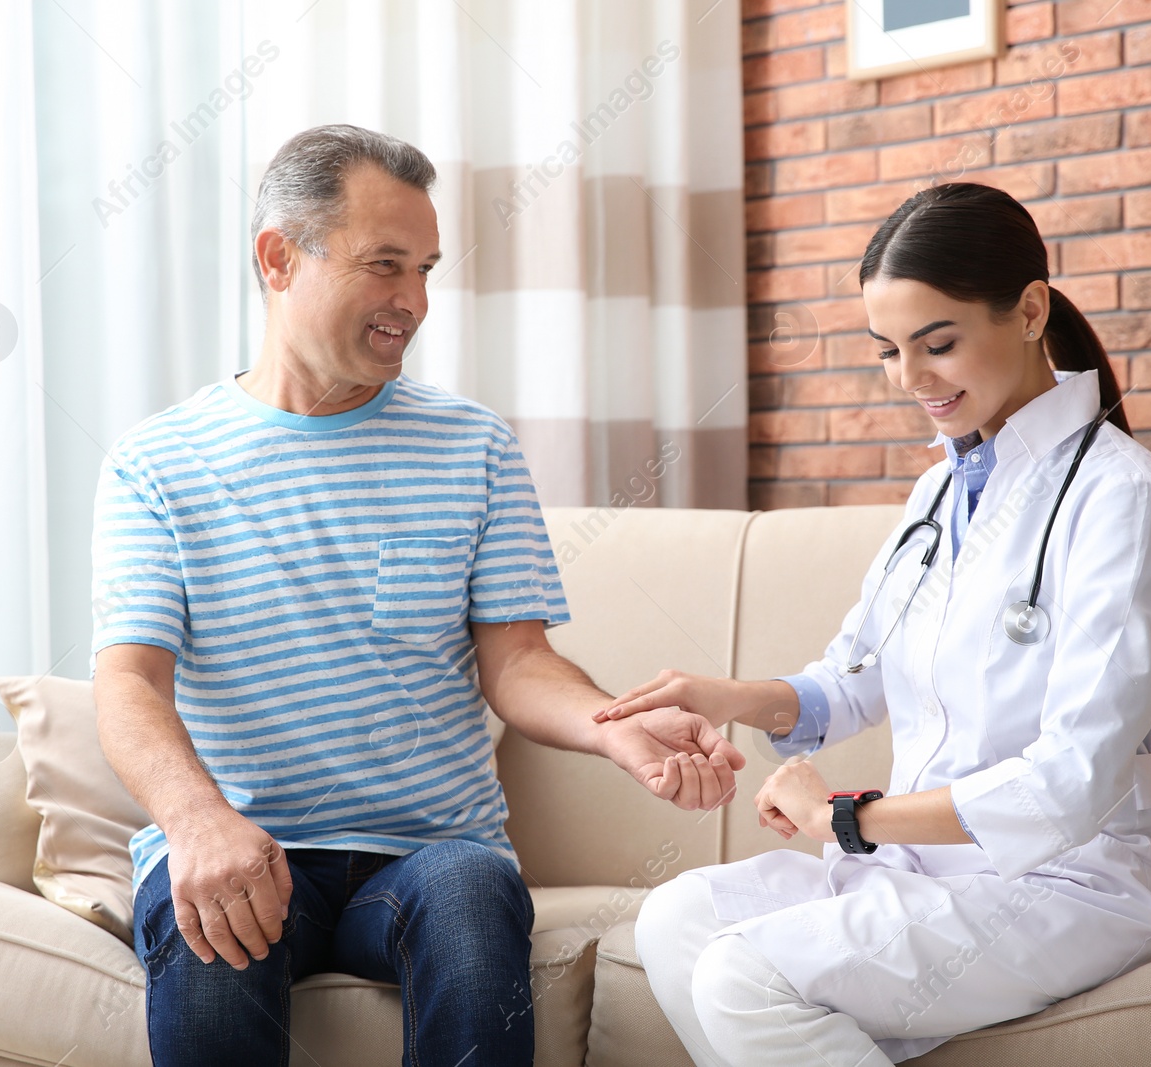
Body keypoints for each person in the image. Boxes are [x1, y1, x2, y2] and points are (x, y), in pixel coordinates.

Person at [89, 124, 744, 1067]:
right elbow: (129, 686)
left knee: (474, 897)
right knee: (208, 953)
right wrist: (198, 821)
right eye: (385, 266)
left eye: (427, 269)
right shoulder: (157, 463)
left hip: (430, 853)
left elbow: (518, 660)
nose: (415, 302)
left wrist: (611, 724)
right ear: (280, 258)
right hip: (237, 840)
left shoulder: (472, 446)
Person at [598, 182, 1151, 1066]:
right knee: (677, 917)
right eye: (887, 351)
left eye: (938, 343)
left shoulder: (1122, 497)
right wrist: (726, 696)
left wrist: (848, 816)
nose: (911, 379)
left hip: (1071, 884)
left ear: (1031, 310)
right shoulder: (939, 493)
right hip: (928, 870)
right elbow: (858, 675)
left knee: (742, 974)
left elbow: (1071, 781)